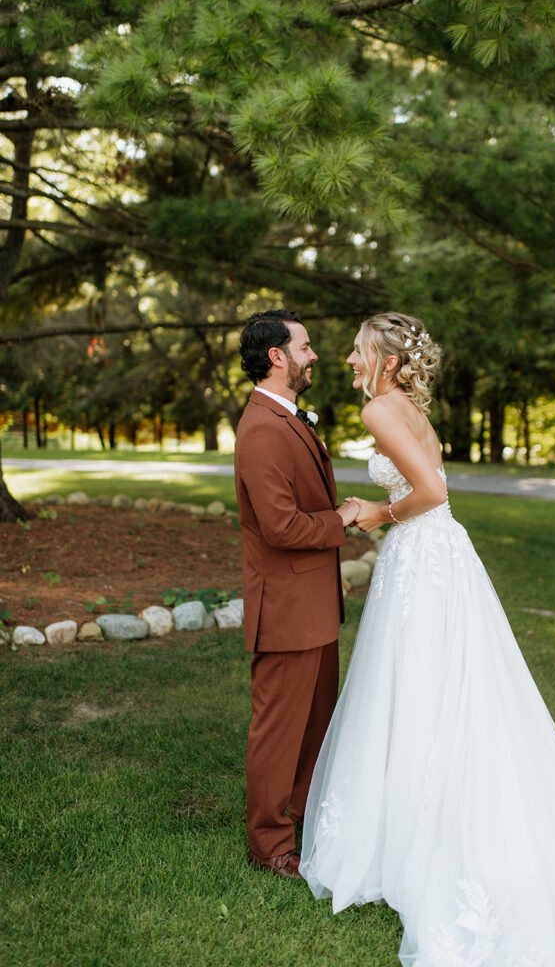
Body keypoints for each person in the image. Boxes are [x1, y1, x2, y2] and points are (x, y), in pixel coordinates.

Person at [300, 311, 555, 965]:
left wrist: (374, 512)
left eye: (359, 351)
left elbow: (431, 489)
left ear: (388, 362)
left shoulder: (380, 413)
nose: (349, 360)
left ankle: (417, 832)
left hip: (424, 556)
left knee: (420, 686)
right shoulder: (412, 410)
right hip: (438, 554)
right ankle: (424, 813)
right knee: (444, 686)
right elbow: (437, 492)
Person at [235, 310, 358, 880]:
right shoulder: (260, 428)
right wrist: (344, 521)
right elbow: (281, 528)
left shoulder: (286, 418)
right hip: (286, 609)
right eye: (305, 347)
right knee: (279, 730)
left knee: (315, 724)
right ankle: (270, 844)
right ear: (277, 356)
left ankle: (303, 811)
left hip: (313, 606)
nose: (314, 356)